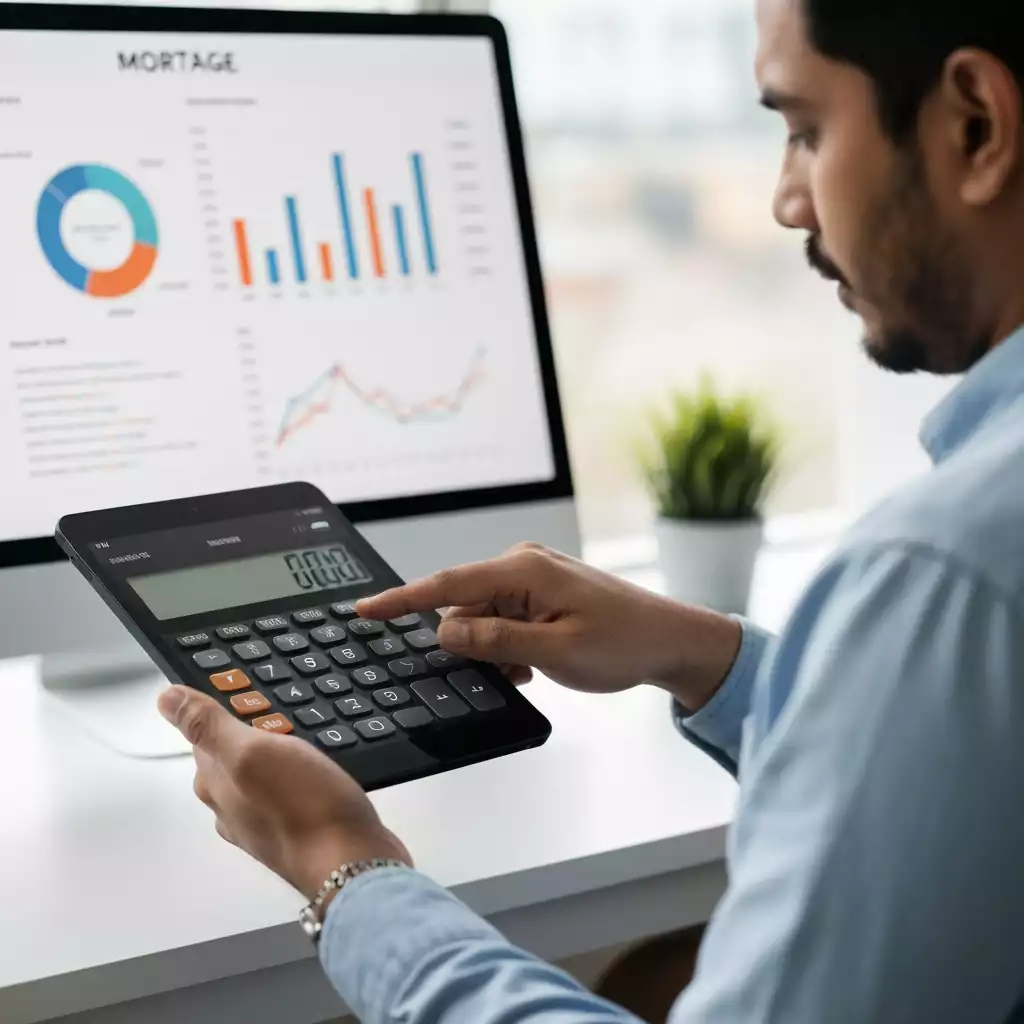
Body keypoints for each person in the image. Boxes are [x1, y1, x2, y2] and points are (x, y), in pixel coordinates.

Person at [157, 0, 1024, 1019]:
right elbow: (955, 765)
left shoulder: (949, 569)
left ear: (973, 125)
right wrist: (703, 653)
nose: (788, 201)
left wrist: (343, 868)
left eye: (804, 129)